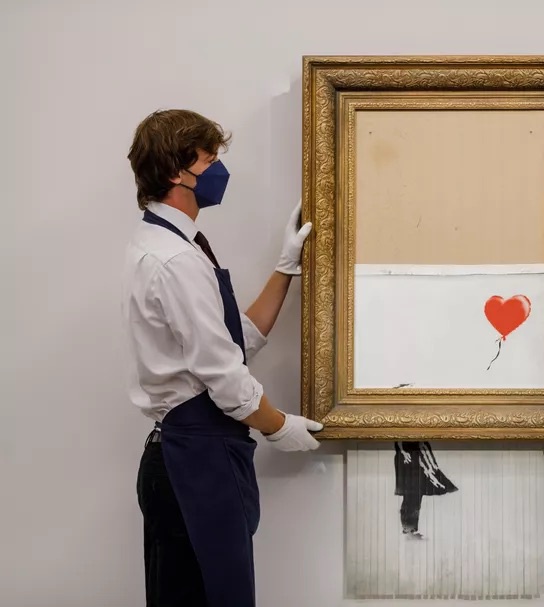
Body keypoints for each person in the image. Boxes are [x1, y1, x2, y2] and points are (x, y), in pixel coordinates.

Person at [123, 109, 324, 607]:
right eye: (210, 158)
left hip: (194, 455)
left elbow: (237, 340)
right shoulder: (174, 261)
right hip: (195, 460)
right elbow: (224, 377)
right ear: (178, 171)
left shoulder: (174, 246)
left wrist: (284, 268)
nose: (218, 169)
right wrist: (279, 426)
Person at [393, 441, 458, 538]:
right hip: (407, 459)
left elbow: (423, 444)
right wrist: (403, 452)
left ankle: (411, 527)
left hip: (417, 459)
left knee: (416, 496)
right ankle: (408, 527)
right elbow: (397, 438)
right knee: (409, 496)